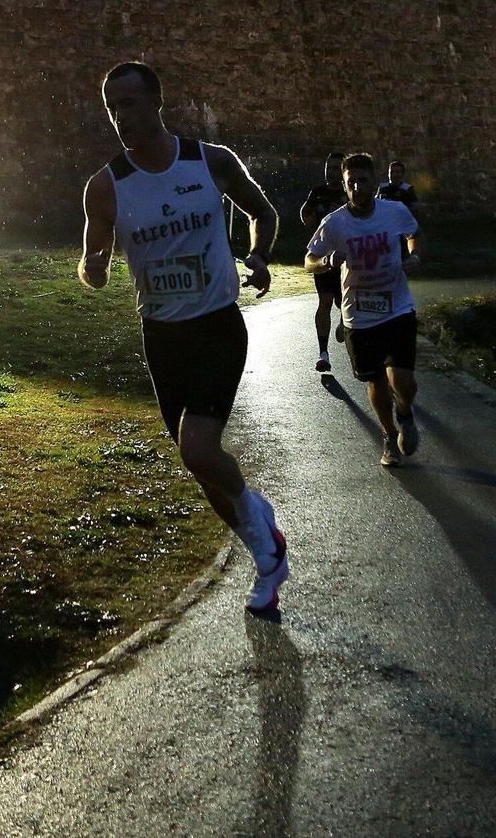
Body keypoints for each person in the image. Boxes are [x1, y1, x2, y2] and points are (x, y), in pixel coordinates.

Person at [79, 61, 290, 616]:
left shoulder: (210, 161)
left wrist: (260, 253)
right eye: (112, 107)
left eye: (130, 102)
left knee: (198, 447)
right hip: (162, 335)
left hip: (217, 323)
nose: (122, 116)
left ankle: (257, 519)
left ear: (156, 102)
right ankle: (264, 553)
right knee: (196, 462)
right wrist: (95, 267)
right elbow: (91, 259)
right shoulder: (105, 186)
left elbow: (261, 212)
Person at [305, 152, 424, 467]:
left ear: (375, 182)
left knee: (404, 381)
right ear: (345, 187)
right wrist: (327, 261)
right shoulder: (334, 223)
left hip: (397, 306)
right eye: (351, 182)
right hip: (359, 314)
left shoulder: (394, 211)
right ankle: (389, 435)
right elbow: (309, 260)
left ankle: (405, 412)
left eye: (363, 180)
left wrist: (413, 257)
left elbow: (414, 235)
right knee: (376, 382)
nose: (357, 187)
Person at [298, 153, 348, 373]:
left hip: (347, 256)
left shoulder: (348, 194)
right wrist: (306, 219)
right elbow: (305, 209)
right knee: (325, 301)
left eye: (336, 168)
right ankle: (323, 354)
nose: (330, 171)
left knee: (343, 301)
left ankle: (345, 322)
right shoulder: (317, 192)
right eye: (328, 167)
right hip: (323, 255)